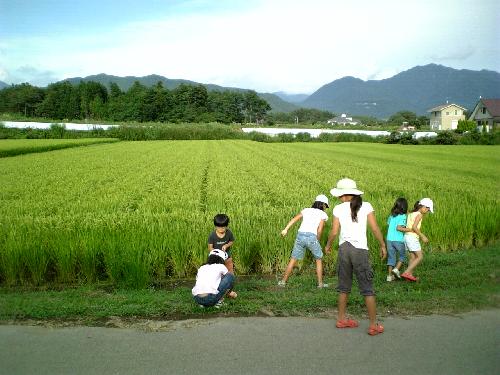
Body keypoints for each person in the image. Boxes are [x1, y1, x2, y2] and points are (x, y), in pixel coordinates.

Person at [325, 178, 387, 336]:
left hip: (344, 249)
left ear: (344, 195)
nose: (338, 197)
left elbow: (333, 232)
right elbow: (374, 227)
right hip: (359, 251)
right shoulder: (366, 206)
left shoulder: (338, 209)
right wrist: (382, 245)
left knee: (344, 287)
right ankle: (373, 325)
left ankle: (341, 319)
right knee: (367, 288)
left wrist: (328, 245)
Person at [279, 194, 330, 288]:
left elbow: (294, 219)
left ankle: (283, 282)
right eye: (325, 206)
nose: (325, 208)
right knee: (318, 260)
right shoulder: (323, 214)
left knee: (293, 259)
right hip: (312, 237)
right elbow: (320, 230)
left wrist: (286, 229)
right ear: (322, 205)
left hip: (300, 235)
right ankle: (320, 284)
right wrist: (317, 240)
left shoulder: (306, 210)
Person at [401, 198, 434, 282]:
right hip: (412, 238)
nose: (427, 211)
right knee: (420, 257)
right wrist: (422, 236)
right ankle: (407, 272)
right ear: (423, 207)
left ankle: (409, 276)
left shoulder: (411, 213)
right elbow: (414, 227)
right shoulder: (419, 215)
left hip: (406, 237)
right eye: (428, 209)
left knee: (412, 257)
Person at [386, 197, 411, 282]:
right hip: (398, 240)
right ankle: (396, 269)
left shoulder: (392, 216)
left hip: (389, 239)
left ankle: (389, 276)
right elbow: (399, 228)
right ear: (405, 206)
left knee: (391, 258)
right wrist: (411, 229)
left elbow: (389, 224)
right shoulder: (403, 216)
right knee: (402, 256)